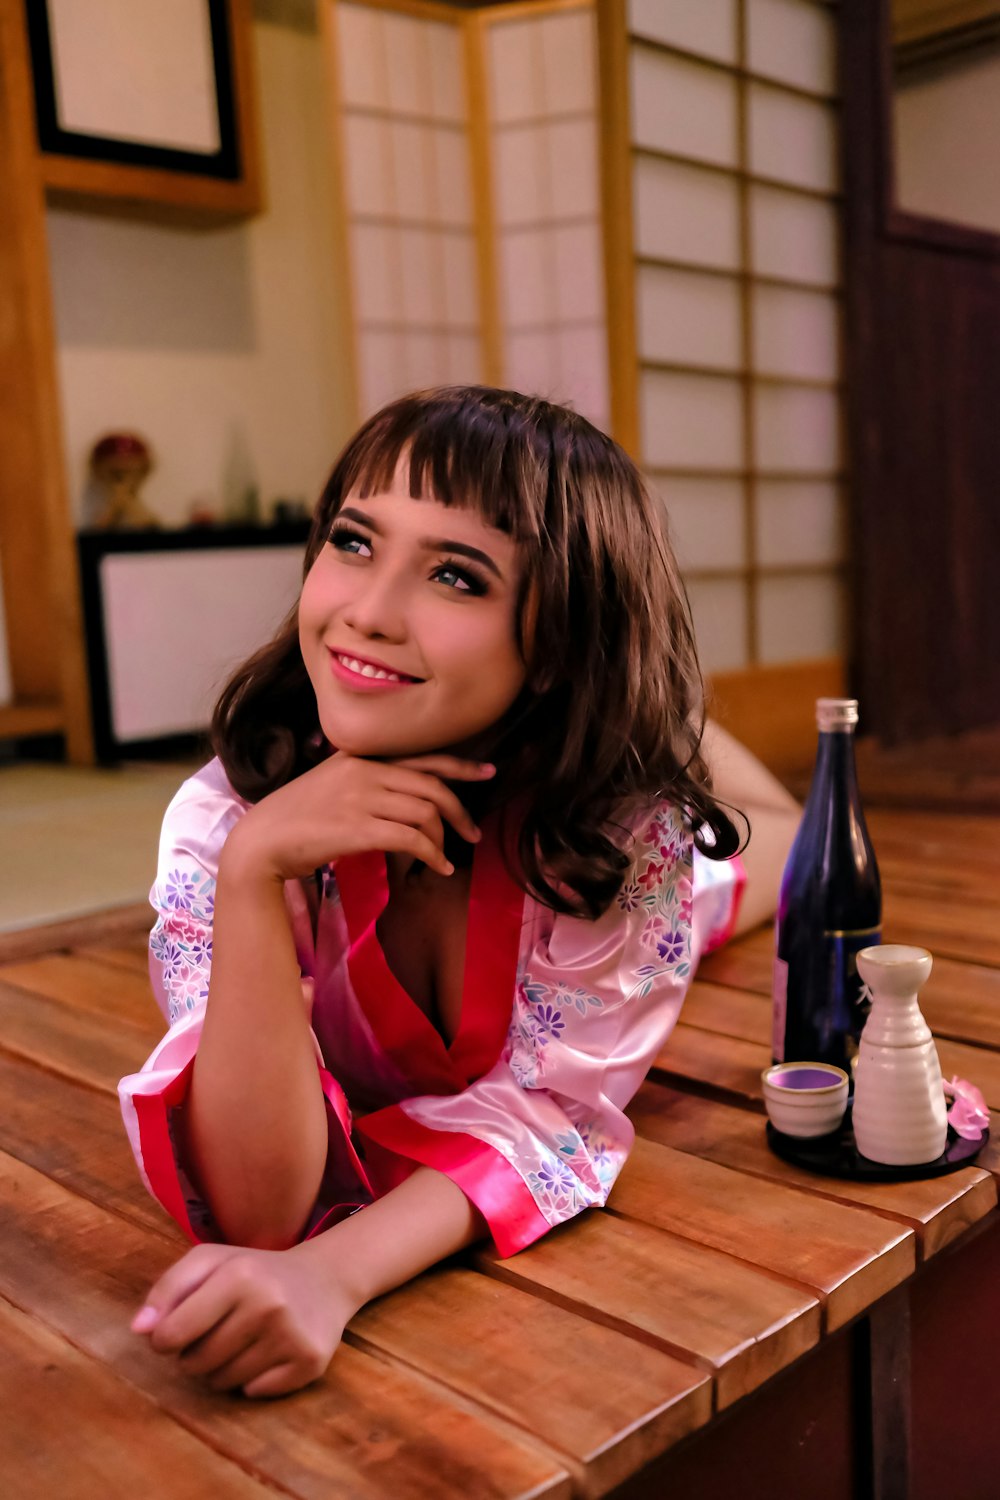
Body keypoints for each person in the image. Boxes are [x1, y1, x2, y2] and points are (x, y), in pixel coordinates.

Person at [118, 385, 800, 1400]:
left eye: (454, 575)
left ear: (558, 643)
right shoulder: (228, 819)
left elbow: (551, 1114)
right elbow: (260, 1208)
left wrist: (333, 1275)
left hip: (615, 855)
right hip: (528, 771)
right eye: (353, 542)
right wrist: (258, 871)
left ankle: (658, 719)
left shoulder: (620, 848)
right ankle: (654, 712)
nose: (367, 611)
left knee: (783, 844)